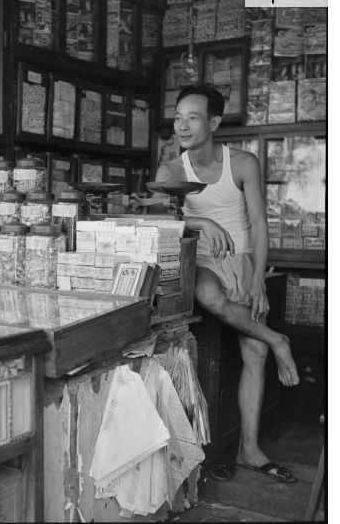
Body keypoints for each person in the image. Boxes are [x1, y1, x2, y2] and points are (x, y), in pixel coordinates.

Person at [155, 84, 299, 484]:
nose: (182, 125)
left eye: (193, 117)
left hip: (241, 260)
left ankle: (249, 449)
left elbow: (258, 223)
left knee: (253, 352)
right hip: (201, 261)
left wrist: (257, 278)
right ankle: (278, 339)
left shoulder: (243, 163)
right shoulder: (169, 169)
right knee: (206, 294)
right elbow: (159, 223)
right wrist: (199, 221)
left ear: (214, 122)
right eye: (178, 117)